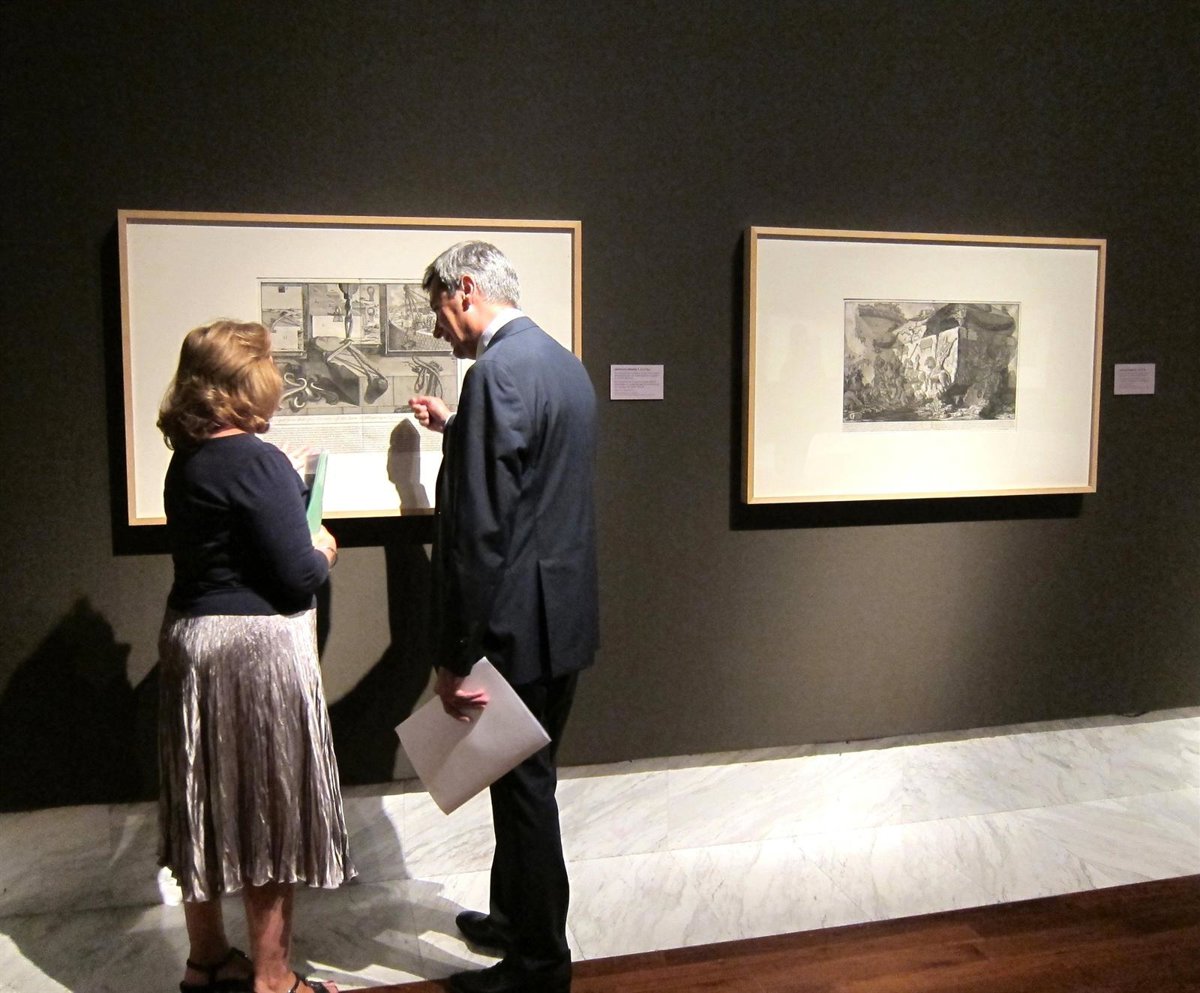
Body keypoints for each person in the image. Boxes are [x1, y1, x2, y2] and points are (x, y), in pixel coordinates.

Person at [410, 242, 599, 993]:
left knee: (523, 792)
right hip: (562, 618)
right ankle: (512, 918)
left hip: (513, 626)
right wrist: (458, 429)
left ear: (465, 289)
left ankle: (539, 963)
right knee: (519, 778)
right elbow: (531, 471)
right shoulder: (562, 363)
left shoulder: (494, 373)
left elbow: (481, 530)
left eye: (437, 309)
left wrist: (453, 652)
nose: (437, 328)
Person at [156, 320, 354, 993]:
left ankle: (208, 959)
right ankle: (274, 979)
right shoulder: (256, 460)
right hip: (253, 652)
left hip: (191, 642)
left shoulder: (188, 457)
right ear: (247, 380)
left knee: (206, 803)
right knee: (267, 806)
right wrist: (322, 549)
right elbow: (296, 576)